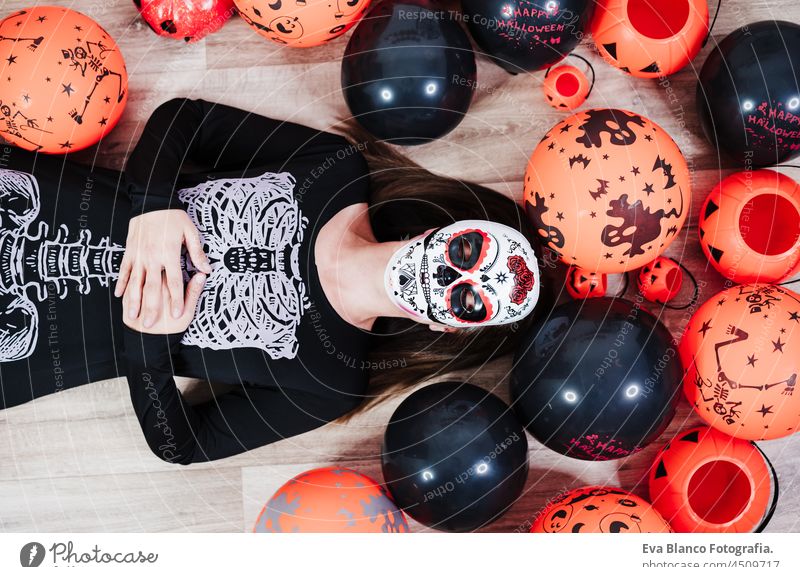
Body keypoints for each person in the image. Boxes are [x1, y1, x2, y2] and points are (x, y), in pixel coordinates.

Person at [0, 98, 547, 464]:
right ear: (441, 229)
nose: (452, 275)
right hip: (32, 204)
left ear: (445, 326)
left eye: (471, 298)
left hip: (29, 344)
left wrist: (147, 345)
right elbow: (183, 119)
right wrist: (153, 208)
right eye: (468, 251)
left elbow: (183, 444)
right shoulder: (333, 169)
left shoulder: (330, 381)